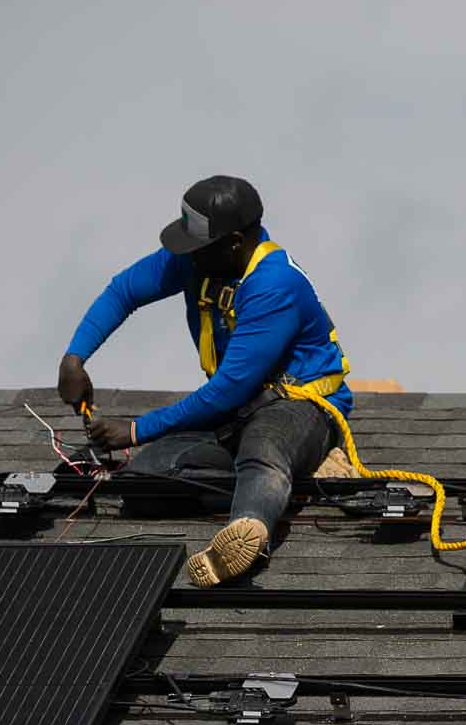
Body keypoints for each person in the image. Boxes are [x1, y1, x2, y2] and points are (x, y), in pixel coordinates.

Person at [56, 176, 355, 587]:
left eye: (197, 248)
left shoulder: (274, 286)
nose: (186, 258)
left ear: (234, 243)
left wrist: (135, 430)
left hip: (299, 406)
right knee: (143, 483)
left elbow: (228, 388)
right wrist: (75, 358)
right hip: (233, 411)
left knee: (265, 446)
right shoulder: (199, 259)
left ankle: (251, 528)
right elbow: (123, 291)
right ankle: (287, 475)